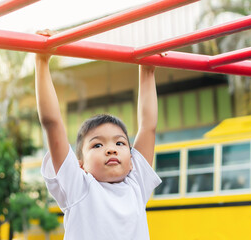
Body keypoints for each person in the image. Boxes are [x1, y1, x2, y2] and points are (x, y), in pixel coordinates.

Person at [35, 29, 162, 240]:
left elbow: (148, 126)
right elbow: (52, 123)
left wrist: (147, 70)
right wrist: (42, 61)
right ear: (80, 164)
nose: (111, 148)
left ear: (132, 161)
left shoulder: (136, 185)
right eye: (97, 145)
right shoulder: (79, 186)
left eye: (120, 143)